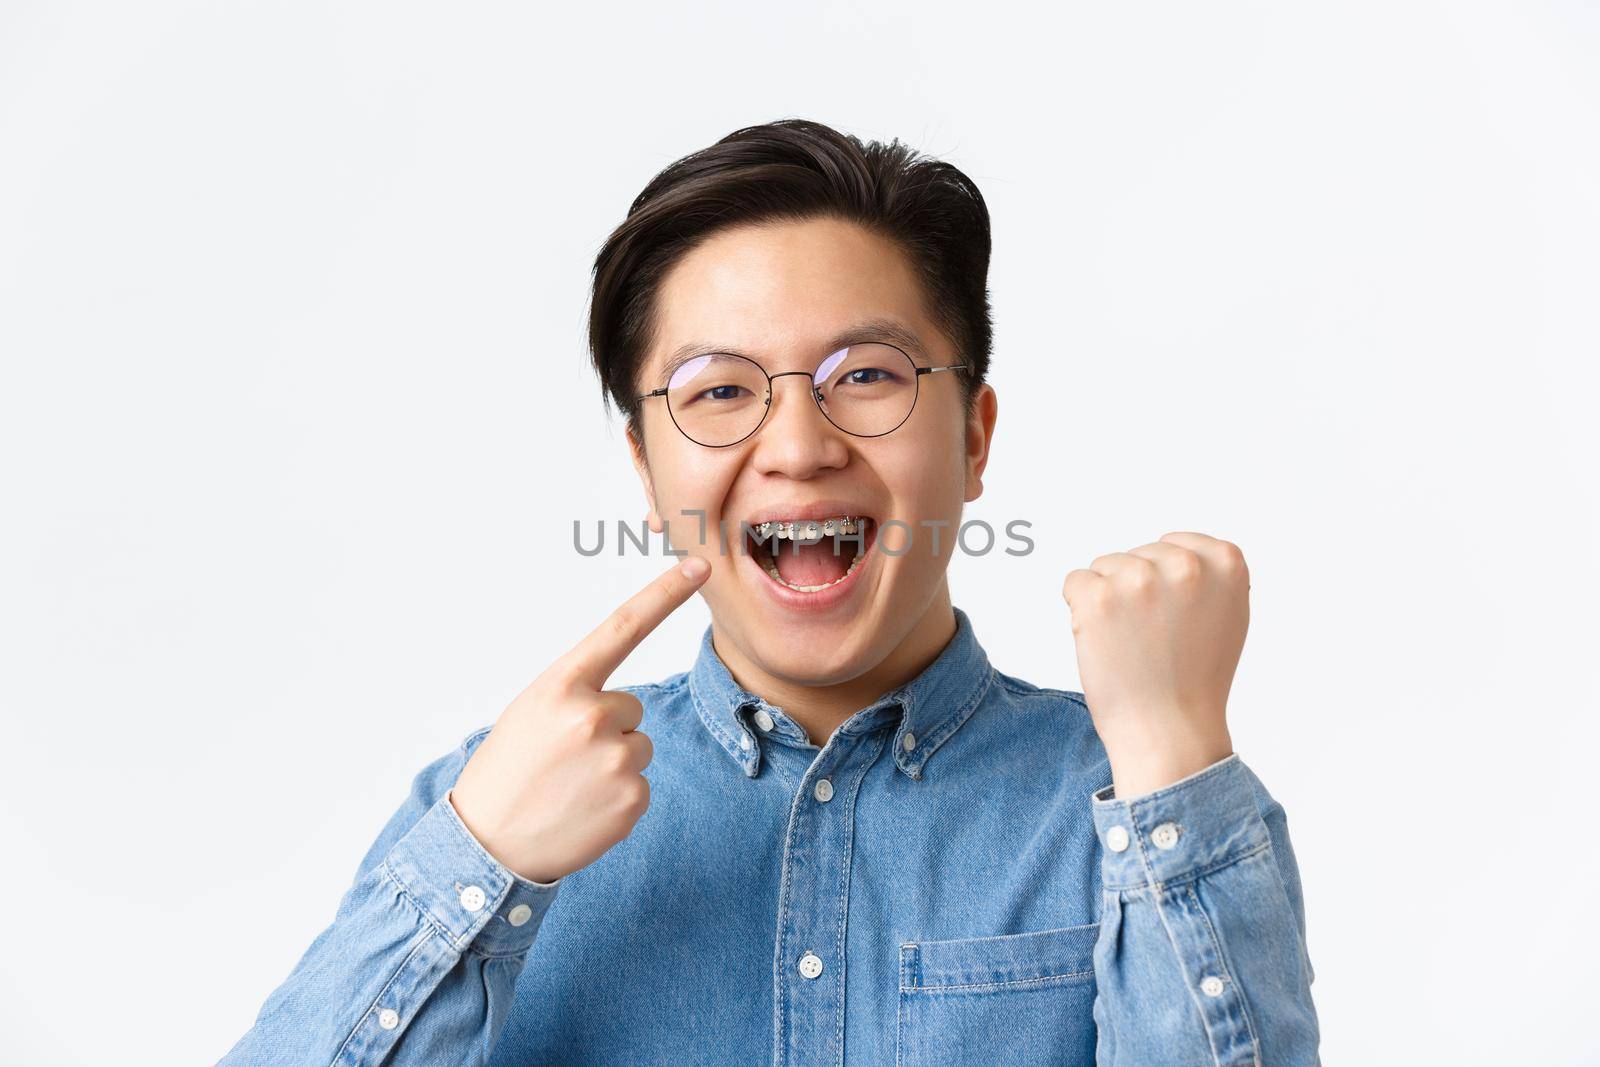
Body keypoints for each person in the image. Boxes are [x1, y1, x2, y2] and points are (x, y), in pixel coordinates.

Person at [220, 118, 1320, 1066]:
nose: (796, 444)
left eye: (868, 376)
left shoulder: (1131, 802)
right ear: (647, 470)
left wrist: (1173, 757)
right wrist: (478, 860)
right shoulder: (488, 799)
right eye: (720, 389)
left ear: (974, 439)